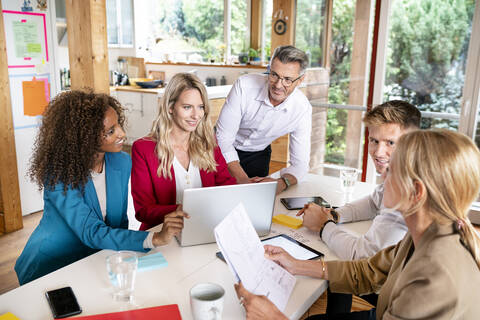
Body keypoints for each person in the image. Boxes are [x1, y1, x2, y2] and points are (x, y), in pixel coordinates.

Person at [235, 129, 480, 319]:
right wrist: (295, 264)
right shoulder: (427, 232)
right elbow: (369, 271)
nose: (383, 176)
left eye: (392, 170)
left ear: (416, 192)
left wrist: (274, 318)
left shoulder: (436, 281)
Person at [15, 91, 184, 285]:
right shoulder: (59, 174)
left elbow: (118, 221)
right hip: (53, 265)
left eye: (118, 124)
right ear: (84, 137)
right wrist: (153, 239)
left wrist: (120, 256)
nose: (122, 133)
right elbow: (91, 231)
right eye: (110, 131)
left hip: (96, 261)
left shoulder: (121, 162)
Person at [298, 101, 421, 312]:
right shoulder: (403, 169)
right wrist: (335, 215)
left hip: (402, 300)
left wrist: (323, 226)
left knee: (338, 272)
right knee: (338, 279)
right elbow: (374, 201)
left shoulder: (406, 192)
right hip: (400, 283)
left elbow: (362, 258)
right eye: (374, 140)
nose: (378, 152)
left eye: (391, 143)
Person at [131, 73, 236, 231]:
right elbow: (143, 211)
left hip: (205, 228)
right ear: (170, 108)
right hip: (162, 234)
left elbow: (227, 186)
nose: (196, 115)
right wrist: (181, 209)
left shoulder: (209, 143)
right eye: (187, 107)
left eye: (200, 107)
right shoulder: (143, 148)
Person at [216, 45, 312, 194]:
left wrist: (281, 183)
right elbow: (223, 140)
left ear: (300, 80)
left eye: (287, 80)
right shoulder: (244, 85)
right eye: (274, 75)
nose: (278, 85)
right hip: (220, 151)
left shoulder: (302, 109)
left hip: (258, 155)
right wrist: (242, 179)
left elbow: (300, 165)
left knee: (255, 203)